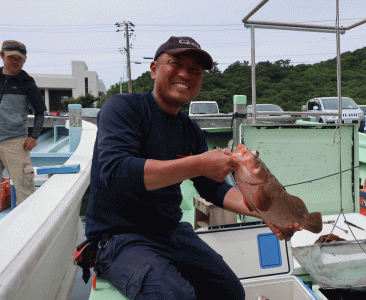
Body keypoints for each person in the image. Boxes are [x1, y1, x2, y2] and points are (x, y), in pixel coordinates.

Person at [85, 36, 301, 300]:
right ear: (154, 69)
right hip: (120, 236)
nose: (185, 74)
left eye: (195, 70)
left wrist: (264, 211)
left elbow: (213, 188)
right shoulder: (123, 108)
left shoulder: (190, 130)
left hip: (170, 231)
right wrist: (199, 163)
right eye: (175, 63)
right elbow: (116, 172)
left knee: (230, 292)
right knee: (174, 295)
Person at [0, 40, 46, 205]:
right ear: (2, 55)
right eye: (11, 57)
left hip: (15, 142)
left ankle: (27, 228)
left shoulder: (28, 84)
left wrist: (34, 136)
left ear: (24, 60)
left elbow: (40, 112)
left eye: (19, 58)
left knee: (25, 190)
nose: (14, 61)